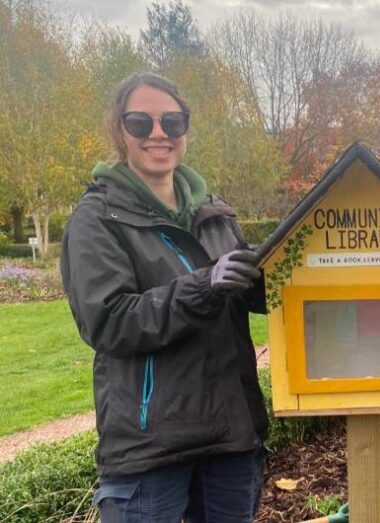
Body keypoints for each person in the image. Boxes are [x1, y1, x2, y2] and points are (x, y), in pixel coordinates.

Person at [60, 73, 268, 522]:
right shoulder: (97, 220)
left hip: (230, 438)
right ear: (121, 131)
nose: (159, 133)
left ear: (185, 131)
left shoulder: (215, 214)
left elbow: (249, 295)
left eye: (172, 122)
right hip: (151, 450)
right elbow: (109, 320)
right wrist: (203, 286)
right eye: (141, 123)